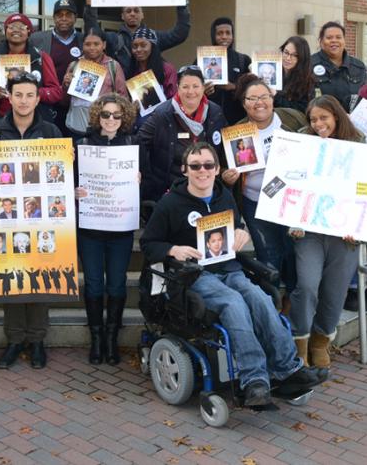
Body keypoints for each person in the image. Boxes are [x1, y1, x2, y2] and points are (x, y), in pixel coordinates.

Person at [140, 142, 326, 406]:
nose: (201, 171)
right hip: (195, 275)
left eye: (207, 165)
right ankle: (255, 381)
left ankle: (289, 370)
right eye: (195, 166)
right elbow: (149, 243)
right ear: (185, 170)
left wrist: (242, 232)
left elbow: (237, 226)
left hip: (229, 268)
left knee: (260, 299)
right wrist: (173, 249)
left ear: (217, 169)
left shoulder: (224, 196)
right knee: (234, 303)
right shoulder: (170, 203)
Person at [0, 73, 62, 370]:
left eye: (30, 95)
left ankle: (37, 340)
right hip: (6, 219)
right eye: (18, 95)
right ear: (9, 98)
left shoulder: (51, 131)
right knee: (11, 276)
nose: (24, 101)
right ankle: (15, 340)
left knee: (39, 275)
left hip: (42, 220)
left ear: (38, 98)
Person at [288, 95, 364, 368]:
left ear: (337, 116)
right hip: (308, 231)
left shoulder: (359, 144)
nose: (318, 124)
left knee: (336, 290)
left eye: (324, 118)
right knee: (307, 285)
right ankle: (300, 340)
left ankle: (321, 341)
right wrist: (292, 220)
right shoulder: (302, 143)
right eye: (313, 119)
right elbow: (290, 182)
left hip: (344, 233)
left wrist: (358, 225)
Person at [222, 74, 306, 298]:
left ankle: (292, 298)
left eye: (264, 96)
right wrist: (228, 178)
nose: (259, 102)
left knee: (293, 251)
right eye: (252, 98)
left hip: (290, 201)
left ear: (272, 98)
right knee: (268, 254)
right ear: (243, 104)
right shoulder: (236, 132)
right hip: (255, 203)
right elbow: (225, 170)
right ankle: (272, 301)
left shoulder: (293, 119)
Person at [75, 94, 140, 365]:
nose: (110, 120)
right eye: (105, 115)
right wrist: (74, 191)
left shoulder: (133, 144)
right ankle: (97, 338)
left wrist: (139, 181)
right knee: (93, 283)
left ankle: (111, 338)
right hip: (90, 226)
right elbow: (68, 180)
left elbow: (148, 183)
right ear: (97, 117)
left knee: (116, 282)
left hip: (120, 227)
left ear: (123, 117)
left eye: (116, 115)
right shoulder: (83, 145)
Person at [138, 66, 227, 201]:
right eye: (185, 87)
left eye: (195, 86)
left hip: (206, 183)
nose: (191, 91)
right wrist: (147, 176)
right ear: (178, 88)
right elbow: (140, 142)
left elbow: (226, 146)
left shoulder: (215, 112)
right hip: (171, 187)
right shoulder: (163, 113)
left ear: (203, 88)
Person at [83, 0, 193, 76]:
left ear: (142, 15)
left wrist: (183, 3)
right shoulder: (113, 39)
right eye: (128, 11)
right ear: (122, 16)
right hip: (120, 91)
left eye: (136, 10)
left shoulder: (154, 37)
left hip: (148, 91)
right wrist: (90, 2)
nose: (132, 14)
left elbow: (180, 33)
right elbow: (93, 32)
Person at [0, 13, 63, 122]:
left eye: (21, 27)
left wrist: (35, 92)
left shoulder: (41, 58)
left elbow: (56, 93)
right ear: (5, 31)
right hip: (2, 120)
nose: (16, 30)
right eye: (11, 27)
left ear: (28, 32)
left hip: (35, 121)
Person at [61, 28, 128, 142]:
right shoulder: (74, 65)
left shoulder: (113, 67)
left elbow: (123, 99)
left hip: (102, 130)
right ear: (82, 45)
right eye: (87, 44)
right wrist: (65, 85)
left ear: (104, 45)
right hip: (75, 128)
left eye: (96, 44)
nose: (92, 48)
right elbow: (64, 101)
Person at [30, 0, 84, 132]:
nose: (64, 19)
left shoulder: (84, 40)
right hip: (47, 104)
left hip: (76, 104)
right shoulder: (37, 39)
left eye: (68, 15)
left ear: (75, 18)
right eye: (60, 15)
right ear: (54, 18)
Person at [311, 21, 366, 112]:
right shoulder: (309, 65)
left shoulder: (358, 66)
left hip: (352, 122)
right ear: (321, 41)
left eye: (338, 37)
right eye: (329, 37)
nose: (334, 40)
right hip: (321, 121)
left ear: (344, 41)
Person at [205, 17, 252, 124]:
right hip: (210, 121)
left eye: (228, 33)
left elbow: (252, 89)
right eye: (220, 33)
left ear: (233, 35)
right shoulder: (202, 60)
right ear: (213, 35)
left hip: (238, 121)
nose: (224, 37)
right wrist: (203, 90)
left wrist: (233, 86)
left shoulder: (244, 60)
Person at [129, 27, 178, 99]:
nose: (138, 49)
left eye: (143, 45)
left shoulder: (167, 69)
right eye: (135, 46)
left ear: (153, 46)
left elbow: (173, 97)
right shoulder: (131, 70)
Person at [273, 36, 315, 113]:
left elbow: (301, 110)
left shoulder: (307, 81)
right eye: (286, 52)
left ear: (302, 58)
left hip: (289, 123)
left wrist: (276, 96)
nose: (288, 58)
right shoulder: (272, 71)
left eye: (295, 55)